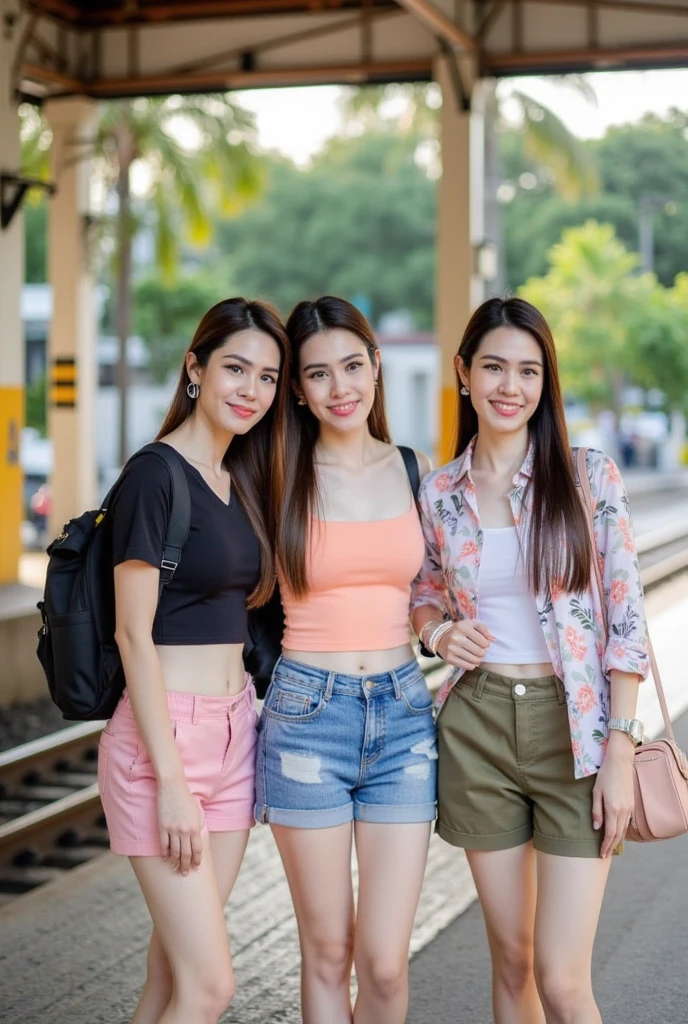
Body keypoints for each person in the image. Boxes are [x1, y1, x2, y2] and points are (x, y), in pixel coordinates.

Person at [411, 296, 649, 1024]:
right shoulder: (440, 492)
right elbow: (420, 591)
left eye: (528, 371)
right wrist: (437, 635)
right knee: (512, 962)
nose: (509, 387)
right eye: (493, 367)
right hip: (478, 727)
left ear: (546, 382)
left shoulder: (587, 477)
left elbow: (628, 616)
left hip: (575, 733)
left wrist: (619, 745)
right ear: (463, 373)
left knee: (562, 976)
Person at [97, 298, 290, 1024]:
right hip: (162, 749)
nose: (251, 390)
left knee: (171, 973)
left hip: (236, 733)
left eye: (268, 378)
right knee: (211, 988)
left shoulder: (237, 479)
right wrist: (172, 781)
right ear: (194, 368)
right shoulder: (156, 474)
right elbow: (131, 635)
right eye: (235, 368)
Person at [255, 295, 436, 1024]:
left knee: (386, 964)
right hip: (306, 716)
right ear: (296, 388)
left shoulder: (416, 469)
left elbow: (441, 588)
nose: (341, 389)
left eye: (353, 366)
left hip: (404, 717)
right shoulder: (272, 476)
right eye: (319, 374)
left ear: (377, 365)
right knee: (328, 952)